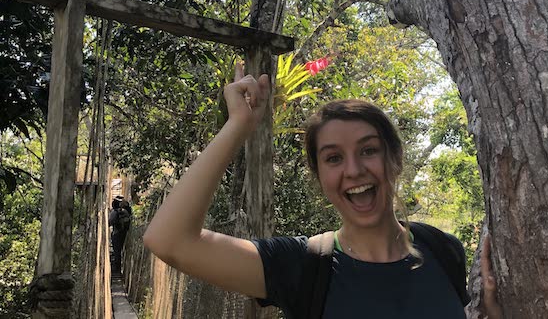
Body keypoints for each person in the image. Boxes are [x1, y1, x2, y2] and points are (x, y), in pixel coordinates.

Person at [143, 63, 501, 318]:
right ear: (319, 176)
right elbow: (169, 240)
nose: (353, 170)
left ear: (394, 158)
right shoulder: (304, 265)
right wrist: (239, 124)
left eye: (368, 150)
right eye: (333, 158)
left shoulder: (444, 250)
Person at [109, 196, 132, 276]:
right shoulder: (125, 211)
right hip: (124, 233)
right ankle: (120, 269)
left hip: (116, 233)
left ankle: (116, 269)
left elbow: (110, 222)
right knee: (121, 251)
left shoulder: (114, 212)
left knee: (117, 251)